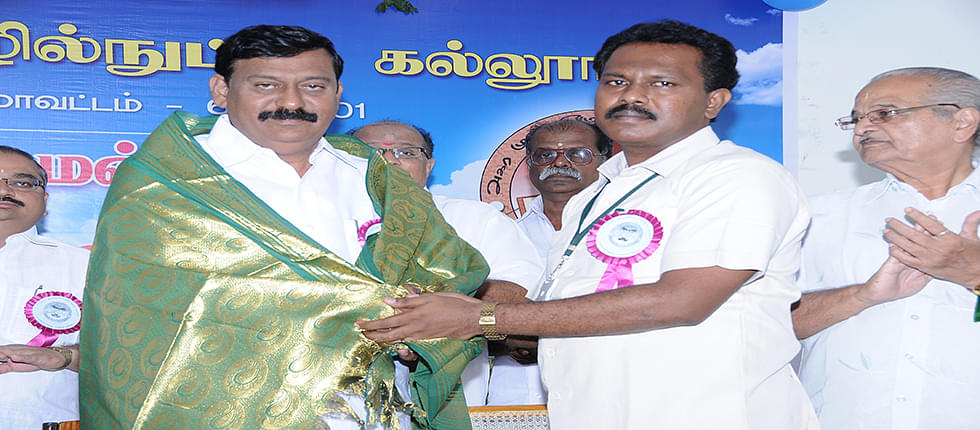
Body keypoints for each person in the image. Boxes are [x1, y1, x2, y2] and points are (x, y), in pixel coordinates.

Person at [358, 20, 818, 429]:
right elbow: (567, 312)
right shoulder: (598, 192)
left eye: (662, 83)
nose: (632, 96)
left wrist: (479, 318)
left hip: (706, 415)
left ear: (713, 101)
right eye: (617, 81)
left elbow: (682, 301)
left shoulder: (737, 176)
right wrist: (430, 325)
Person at [79, 25, 489, 430]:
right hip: (216, 410)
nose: (292, 102)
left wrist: (419, 324)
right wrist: (363, 302)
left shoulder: (377, 177)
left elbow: (447, 275)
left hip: (373, 412)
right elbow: (137, 313)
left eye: (313, 87)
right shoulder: (165, 180)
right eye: (266, 85)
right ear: (221, 90)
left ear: (338, 94)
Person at [793, 67, 980, 429]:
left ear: (962, 123)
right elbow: (769, 326)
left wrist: (974, 273)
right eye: (856, 118)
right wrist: (860, 296)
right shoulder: (817, 215)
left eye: (885, 113)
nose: (862, 128)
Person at [351, 120, 545, 406]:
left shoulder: (475, 217)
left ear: (429, 166)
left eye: (407, 153)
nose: (391, 160)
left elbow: (523, 295)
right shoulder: (316, 222)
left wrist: (428, 299)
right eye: (373, 152)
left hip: (452, 397)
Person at [0, 145, 88, 428]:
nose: (4, 189)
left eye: (22, 183)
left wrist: (62, 356)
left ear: (45, 199)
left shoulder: (89, 267)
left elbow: (127, 359)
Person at [517, 116, 611, 263]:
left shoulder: (625, 223)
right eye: (545, 155)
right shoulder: (513, 234)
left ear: (606, 161)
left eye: (577, 154)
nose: (560, 162)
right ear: (530, 164)